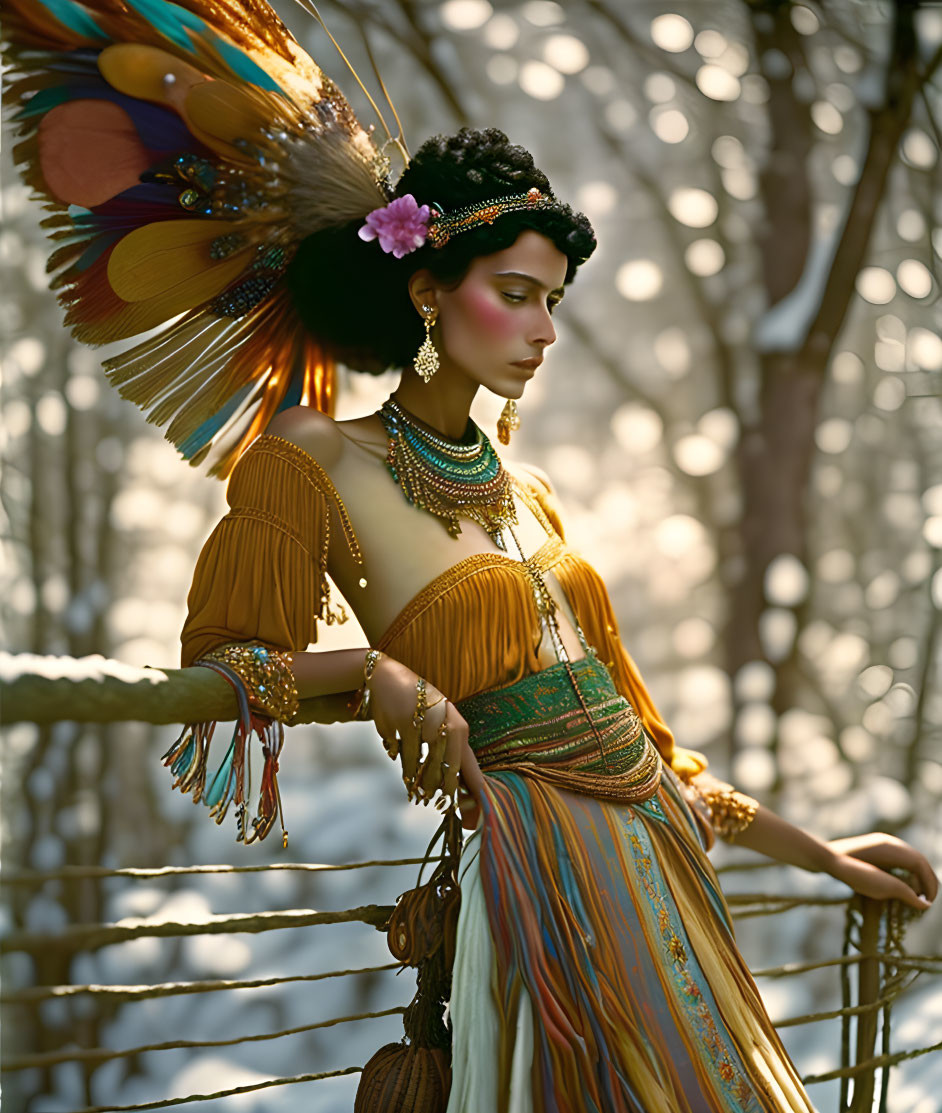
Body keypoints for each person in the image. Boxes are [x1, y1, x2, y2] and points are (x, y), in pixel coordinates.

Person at [4, 0, 935, 1107]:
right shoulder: (310, 458)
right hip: (542, 888)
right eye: (517, 295)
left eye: (554, 302)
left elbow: (643, 752)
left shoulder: (528, 492)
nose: (544, 329)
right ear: (426, 289)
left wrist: (825, 858)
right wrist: (375, 672)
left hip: (666, 886)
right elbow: (231, 665)